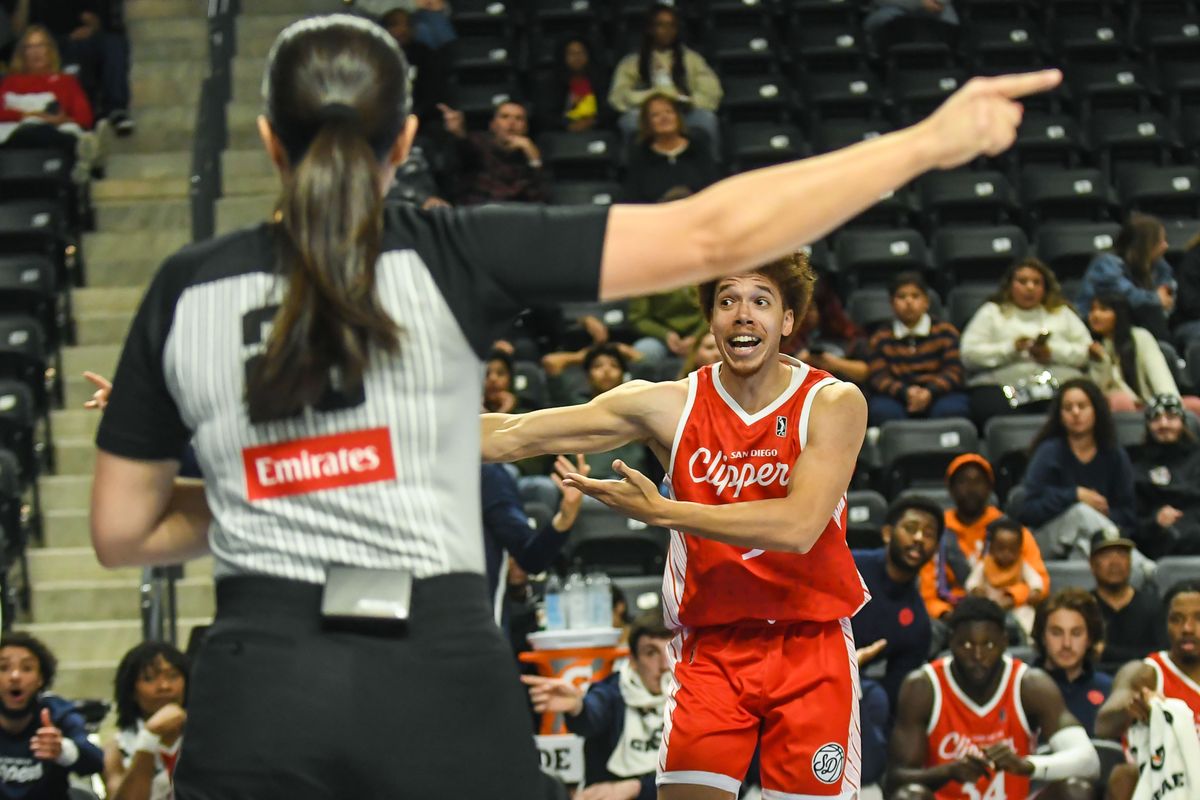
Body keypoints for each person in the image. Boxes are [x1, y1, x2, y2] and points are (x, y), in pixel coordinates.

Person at [85, 12, 1062, 796]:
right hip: (435, 670)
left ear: (266, 141)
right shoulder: (458, 249)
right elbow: (714, 227)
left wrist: (249, 482)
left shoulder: (184, 290)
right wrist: (929, 141)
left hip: (263, 682)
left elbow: (123, 532)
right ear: (409, 142)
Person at [886, 597, 1099, 800]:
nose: (978, 656)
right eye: (967, 645)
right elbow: (894, 781)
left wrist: (1026, 765)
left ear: (1005, 642)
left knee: (1076, 791)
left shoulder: (1031, 685)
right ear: (951, 642)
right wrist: (948, 771)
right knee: (909, 796)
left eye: (988, 645)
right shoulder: (923, 686)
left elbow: (1089, 761)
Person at [524, 613, 673, 800]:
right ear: (633, 661)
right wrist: (578, 707)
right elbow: (592, 715)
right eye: (651, 653)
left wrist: (637, 788)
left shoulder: (693, 700)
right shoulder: (614, 691)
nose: (665, 665)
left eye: (672, 651)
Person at [1094, 579, 1200, 800]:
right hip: (1162, 787)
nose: (1187, 628)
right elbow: (1103, 725)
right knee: (1123, 776)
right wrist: (1131, 707)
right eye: (1176, 620)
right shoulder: (1146, 673)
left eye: (1198, 618)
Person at [959, 257, 1092, 426]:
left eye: (1036, 282)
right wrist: (1010, 349)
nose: (1030, 287)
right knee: (989, 406)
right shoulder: (991, 312)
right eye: (1023, 281)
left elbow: (1087, 351)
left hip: (1054, 383)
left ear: (1045, 287)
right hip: (1001, 386)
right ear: (1010, 285)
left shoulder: (1062, 313)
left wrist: (1052, 352)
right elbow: (969, 355)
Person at [920, 454, 1049, 624]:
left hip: (1005, 609)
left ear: (990, 488)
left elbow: (1041, 582)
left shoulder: (1011, 531)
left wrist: (1011, 597)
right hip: (953, 611)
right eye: (963, 481)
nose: (971, 488)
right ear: (950, 489)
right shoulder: (937, 532)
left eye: (978, 481)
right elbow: (926, 593)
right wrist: (947, 614)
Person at [1017, 378, 1138, 559]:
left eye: (1082, 406)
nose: (1075, 413)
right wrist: (1074, 495)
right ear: (1060, 415)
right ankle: (1144, 568)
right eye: (1068, 408)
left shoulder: (1114, 454)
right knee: (1081, 513)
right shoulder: (1048, 452)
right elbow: (1028, 510)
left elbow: (1129, 515)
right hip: (1048, 539)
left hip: (1098, 543)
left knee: (1082, 549)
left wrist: (1102, 514)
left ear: (1096, 410)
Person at [852, 495, 942, 710]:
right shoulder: (850, 566)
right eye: (911, 528)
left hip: (853, 687)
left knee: (876, 701)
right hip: (804, 661)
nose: (919, 538)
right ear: (887, 533)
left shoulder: (918, 623)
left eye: (929, 534)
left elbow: (895, 695)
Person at [608, 4, 722, 160]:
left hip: (683, 113)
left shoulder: (691, 59)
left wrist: (687, 100)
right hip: (647, 116)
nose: (666, 31)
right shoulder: (632, 62)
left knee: (707, 119)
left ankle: (711, 171)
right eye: (661, 25)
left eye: (671, 26)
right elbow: (618, 96)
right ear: (650, 29)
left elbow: (711, 92)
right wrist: (652, 97)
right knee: (628, 122)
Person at [0, 632, 104, 798]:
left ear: (41, 678)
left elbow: (97, 761)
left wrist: (63, 750)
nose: (15, 676)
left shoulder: (58, 714)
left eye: (26, 668)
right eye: (3, 668)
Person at [865, 271, 969, 426]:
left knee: (952, 409)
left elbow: (954, 371)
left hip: (939, 394)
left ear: (926, 302)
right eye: (901, 297)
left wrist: (930, 391)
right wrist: (905, 393)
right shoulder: (881, 337)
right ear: (892, 304)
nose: (908, 302)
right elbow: (879, 376)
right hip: (897, 397)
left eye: (915, 296)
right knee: (881, 411)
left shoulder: (945, 332)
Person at [0, 25, 101, 180]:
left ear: (50, 50)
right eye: (30, 47)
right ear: (22, 53)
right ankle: (86, 158)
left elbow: (85, 117)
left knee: (61, 132)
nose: (36, 52)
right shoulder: (10, 82)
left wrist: (60, 120)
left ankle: (83, 161)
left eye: (40, 46)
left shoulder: (66, 81)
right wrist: (31, 115)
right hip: (18, 134)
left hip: (55, 131)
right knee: (35, 130)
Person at [1085, 292, 1200, 416]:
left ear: (1119, 313)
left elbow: (1160, 377)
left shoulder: (1140, 337)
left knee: (1194, 405)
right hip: (1118, 408)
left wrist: (1170, 409)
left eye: (1103, 309)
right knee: (1120, 401)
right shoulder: (1090, 346)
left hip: (1151, 405)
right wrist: (1100, 361)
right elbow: (1101, 391)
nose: (1095, 315)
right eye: (1092, 310)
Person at [104, 641, 189, 800]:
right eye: (149, 678)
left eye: (173, 676)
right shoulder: (117, 748)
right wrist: (149, 738)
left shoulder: (206, 736)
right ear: (131, 691)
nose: (164, 686)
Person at [1076, 212, 1177, 342]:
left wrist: (1161, 297)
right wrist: (1155, 299)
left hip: (1139, 330)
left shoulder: (1158, 264)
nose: (1165, 246)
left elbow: (1168, 296)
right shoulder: (1105, 265)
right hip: (1099, 333)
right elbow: (1125, 298)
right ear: (1144, 245)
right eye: (1160, 241)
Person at [1031, 587, 1112, 737]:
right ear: (1042, 636)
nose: (1066, 644)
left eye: (1076, 633)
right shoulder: (1022, 688)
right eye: (1056, 633)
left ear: (1089, 639)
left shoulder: (1109, 689)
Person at [438, 99, 548, 205]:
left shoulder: (530, 152)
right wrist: (459, 133)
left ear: (526, 127)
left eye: (519, 118)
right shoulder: (477, 144)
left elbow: (541, 198)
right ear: (493, 124)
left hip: (515, 215)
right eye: (504, 117)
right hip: (479, 211)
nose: (511, 123)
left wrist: (534, 160)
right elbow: (464, 150)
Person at [1089, 529, 1168, 675]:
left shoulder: (1154, 605)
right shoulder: (1083, 608)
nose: (1115, 562)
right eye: (1106, 555)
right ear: (1092, 564)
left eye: (1122, 554)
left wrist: (1106, 652)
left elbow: (1162, 656)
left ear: (1131, 561)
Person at [1133, 394, 1200, 558]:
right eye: (1156, 419)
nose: (1163, 424)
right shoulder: (1136, 464)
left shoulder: (1197, 458)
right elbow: (1132, 521)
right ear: (1148, 425)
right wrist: (1155, 522)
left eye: (1170, 417)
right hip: (1157, 542)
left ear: (1182, 422)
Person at [621, 94, 719, 204]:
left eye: (669, 112)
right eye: (655, 115)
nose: (664, 117)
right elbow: (634, 199)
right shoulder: (641, 155)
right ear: (647, 123)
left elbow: (713, 190)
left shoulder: (698, 147)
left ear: (677, 117)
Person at [966, 515, 1047, 635]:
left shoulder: (1022, 565)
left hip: (1017, 605)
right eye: (1001, 548)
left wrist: (1035, 590)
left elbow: (1035, 579)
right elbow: (971, 582)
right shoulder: (984, 564)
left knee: (1028, 617)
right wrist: (976, 589)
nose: (1006, 554)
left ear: (1019, 549)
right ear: (991, 547)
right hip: (989, 603)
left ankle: (1031, 638)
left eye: (1011, 550)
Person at [538, 37, 609, 133]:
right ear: (563, 57)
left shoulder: (600, 79)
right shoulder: (552, 81)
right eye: (572, 54)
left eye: (581, 53)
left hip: (596, 128)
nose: (577, 57)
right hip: (561, 131)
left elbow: (610, 109)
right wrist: (567, 125)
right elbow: (545, 115)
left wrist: (592, 121)